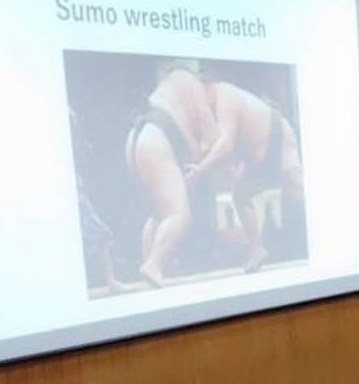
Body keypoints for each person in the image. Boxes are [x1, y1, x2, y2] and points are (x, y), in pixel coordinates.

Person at [186, 77, 307, 271]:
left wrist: (200, 169)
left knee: (298, 187)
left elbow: (226, 144)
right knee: (240, 196)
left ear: (207, 88)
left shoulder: (226, 96)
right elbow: (224, 147)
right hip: (256, 159)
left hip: (277, 137)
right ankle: (257, 249)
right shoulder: (214, 112)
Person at [124, 61, 216, 287]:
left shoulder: (167, 87)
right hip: (158, 138)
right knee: (179, 215)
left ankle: (151, 268)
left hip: (136, 136)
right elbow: (211, 134)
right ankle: (154, 265)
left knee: (158, 215)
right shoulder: (192, 84)